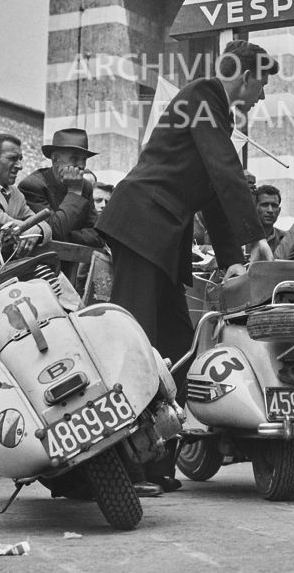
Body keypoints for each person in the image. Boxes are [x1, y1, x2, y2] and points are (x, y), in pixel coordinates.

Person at [95, 40, 277, 496]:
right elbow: (224, 170)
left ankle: (155, 461)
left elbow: (215, 195)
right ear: (245, 75)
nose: (263, 94)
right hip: (142, 222)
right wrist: (256, 238)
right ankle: (119, 463)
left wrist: (236, 260)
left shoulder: (216, 111)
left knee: (176, 343)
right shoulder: (202, 97)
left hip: (161, 233)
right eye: (264, 82)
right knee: (136, 341)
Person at [18, 127, 101, 247]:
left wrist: (67, 236)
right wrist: (74, 192)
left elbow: (97, 236)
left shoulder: (85, 187)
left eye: (84, 160)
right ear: (55, 160)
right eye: (74, 159)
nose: (82, 165)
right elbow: (54, 232)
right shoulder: (33, 186)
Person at [246, 184, 287, 255]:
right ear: (254, 208)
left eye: (274, 206)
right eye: (264, 205)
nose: (270, 210)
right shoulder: (241, 238)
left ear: (279, 211)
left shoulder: (285, 239)